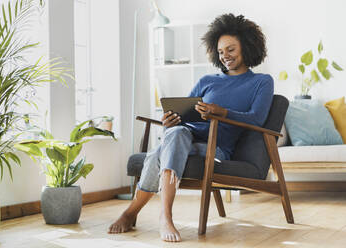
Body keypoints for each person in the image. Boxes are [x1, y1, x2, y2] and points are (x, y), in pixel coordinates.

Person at [108, 13, 274, 242]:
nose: (225, 56)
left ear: (247, 46)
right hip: (184, 137)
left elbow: (257, 119)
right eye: (220, 51)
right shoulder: (207, 81)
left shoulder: (261, 82)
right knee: (175, 132)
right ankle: (165, 216)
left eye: (231, 49)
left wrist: (221, 112)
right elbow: (184, 113)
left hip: (217, 148)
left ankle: (132, 212)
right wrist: (170, 121)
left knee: (160, 151)